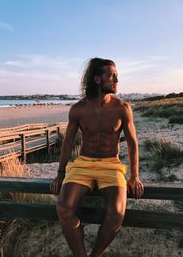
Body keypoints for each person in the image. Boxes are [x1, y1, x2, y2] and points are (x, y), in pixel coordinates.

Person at [50, 57, 144, 257]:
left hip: (111, 165)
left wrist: (134, 176)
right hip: (83, 165)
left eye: (117, 75)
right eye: (111, 75)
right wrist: (60, 173)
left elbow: (132, 143)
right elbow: (67, 143)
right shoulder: (78, 109)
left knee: (117, 213)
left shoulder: (122, 108)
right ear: (97, 79)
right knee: (64, 209)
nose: (116, 79)